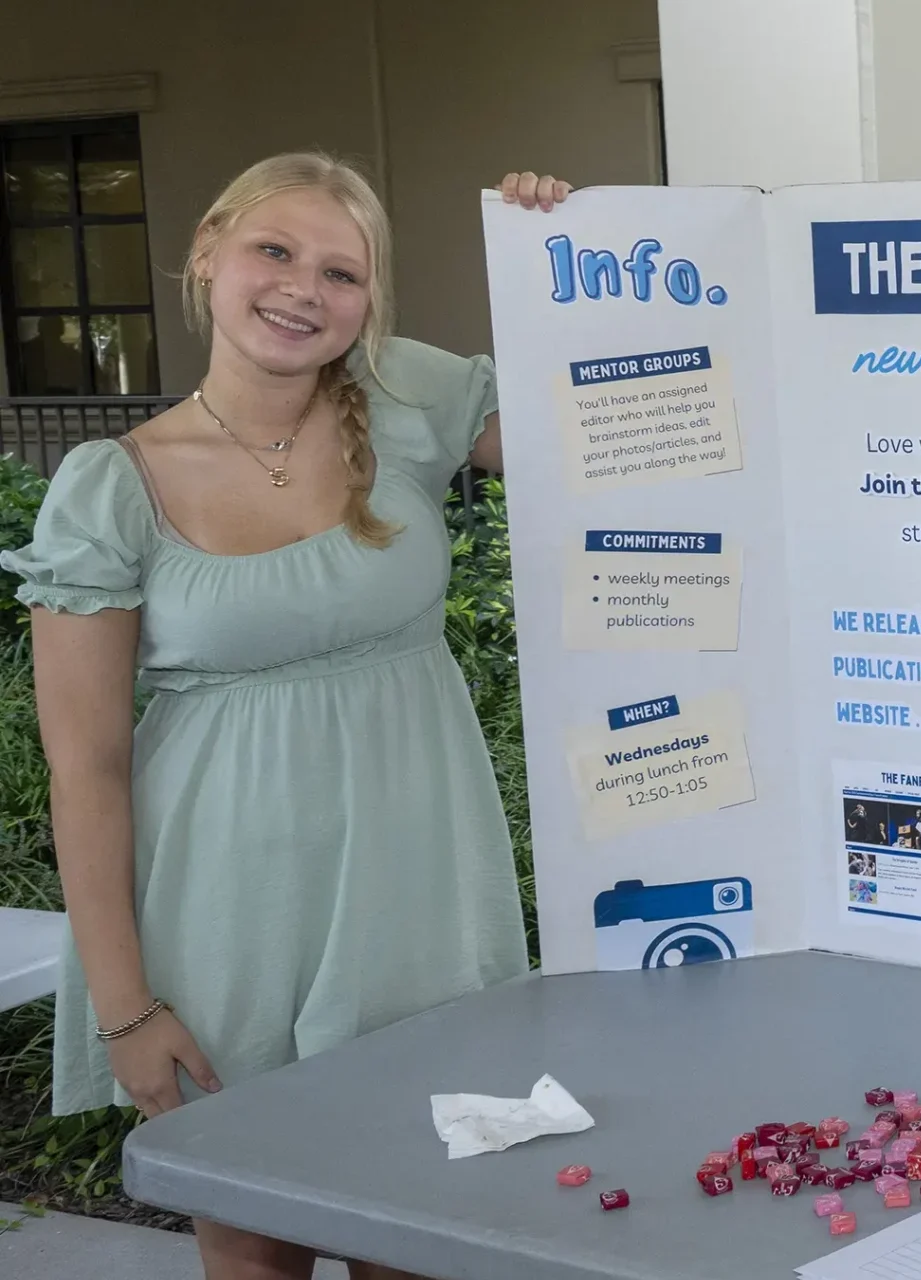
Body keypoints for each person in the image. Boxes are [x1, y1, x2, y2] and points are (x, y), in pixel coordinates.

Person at [6, 158, 568, 1279]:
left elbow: (628, 435)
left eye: (341, 272)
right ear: (207, 253)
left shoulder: (407, 399)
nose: (304, 288)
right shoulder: (112, 485)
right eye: (275, 250)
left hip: (418, 902)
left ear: (370, 299)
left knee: (420, 1231)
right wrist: (126, 1010)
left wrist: (562, 255)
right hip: (220, 921)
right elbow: (87, 768)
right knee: (255, 1241)